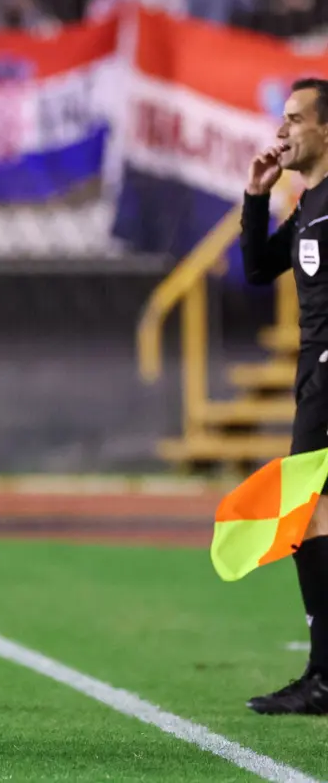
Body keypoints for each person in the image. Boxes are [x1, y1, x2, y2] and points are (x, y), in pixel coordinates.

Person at [240, 77, 328, 716]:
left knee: (304, 517)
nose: (282, 130)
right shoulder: (309, 202)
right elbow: (256, 266)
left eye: (295, 118)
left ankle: (323, 677)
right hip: (314, 376)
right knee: (311, 520)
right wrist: (255, 197)